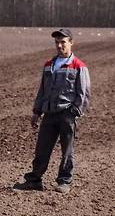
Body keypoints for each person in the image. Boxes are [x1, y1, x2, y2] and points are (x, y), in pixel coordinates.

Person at [13, 29, 90, 194]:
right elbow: (42, 90)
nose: (59, 45)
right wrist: (37, 111)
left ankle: (64, 181)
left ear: (71, 43)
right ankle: (34, 180)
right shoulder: (49, 65)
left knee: (67, 150)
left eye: (63, 42)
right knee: (42, 148)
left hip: (67, 114)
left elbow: (83, 94)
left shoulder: (79, 66)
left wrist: (74, 112)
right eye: (57, 42)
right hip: (49, 114)